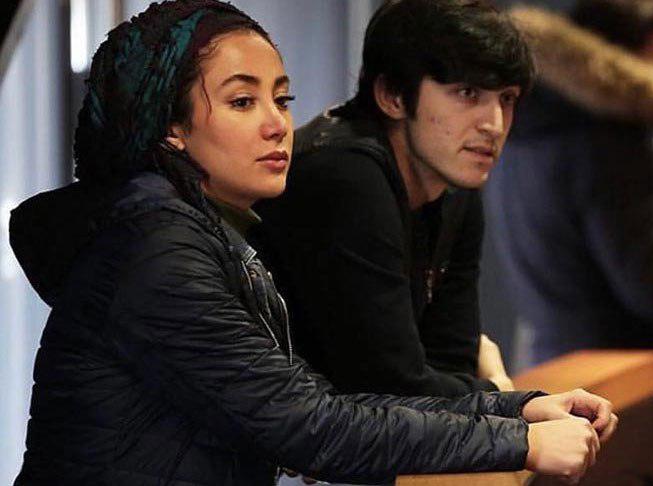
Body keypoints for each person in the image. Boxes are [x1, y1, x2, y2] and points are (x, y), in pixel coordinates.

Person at [8, 0, 616, 484]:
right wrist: (519, 437)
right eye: (242, 101)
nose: (277, 124)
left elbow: (328, 401)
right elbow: (310, 426)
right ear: (171, 127)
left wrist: (518, 408)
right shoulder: (155, 248)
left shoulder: (208, 232)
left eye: (281, 99)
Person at [251, 0, 523, 399]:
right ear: (392, 96)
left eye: (507, 99)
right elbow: (388, 385)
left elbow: (450, 359)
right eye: (468, 93)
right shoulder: (344, 172)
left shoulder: (456, 182)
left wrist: (486, 397)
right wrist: (495, 393)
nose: (494, 124)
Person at [486, 0, 653, 366]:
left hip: (548, 364)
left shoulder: (533, 115)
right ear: (630, 57)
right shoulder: (603, 136)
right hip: (617, 380)